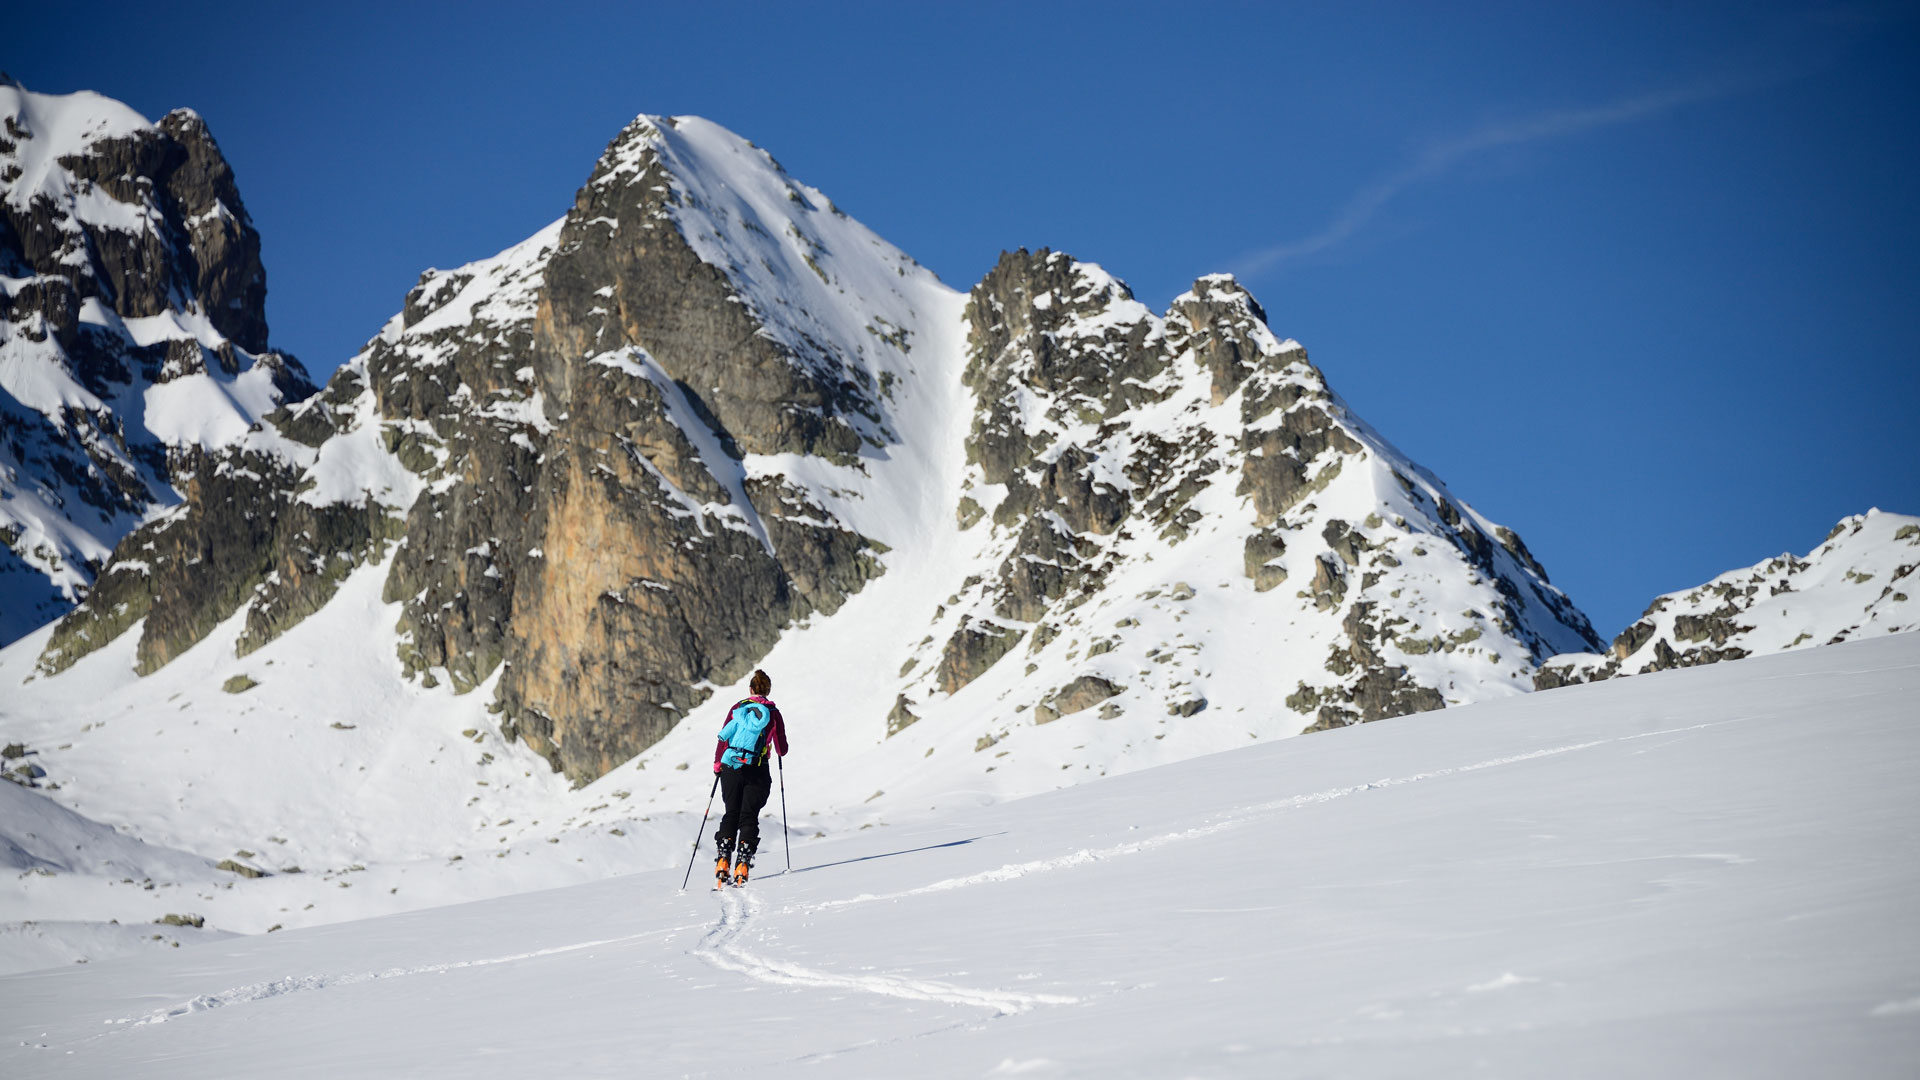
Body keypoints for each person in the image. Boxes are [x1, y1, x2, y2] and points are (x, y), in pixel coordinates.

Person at [713, 669, 787, 888]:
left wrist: (718, 764)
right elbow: (783, 748)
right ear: (768, 690)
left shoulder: (737, 709)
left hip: (731, 766)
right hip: (757, 768)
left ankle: (723, 860)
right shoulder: (773, 713)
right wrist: (773, 747)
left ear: (751, 689)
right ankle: (742, 864)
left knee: (731, 813)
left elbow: (723, 739)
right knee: (749, 816)